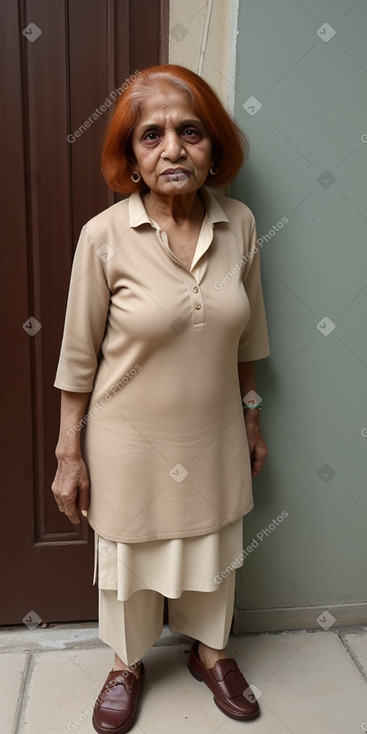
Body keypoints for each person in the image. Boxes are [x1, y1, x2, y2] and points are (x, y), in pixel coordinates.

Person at [52, 64, 270, 734]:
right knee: (128, 560)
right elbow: (76, 356)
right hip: (127, 439)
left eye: (190, 132)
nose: (173, 148)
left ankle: (211, 654)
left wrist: (252, 415)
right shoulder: (104, 236)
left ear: (214, 148)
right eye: (152, 136)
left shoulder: (239, 224)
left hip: (213, 432)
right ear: (131, 158)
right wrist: (69, 452)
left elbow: (249, 334)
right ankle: (125, 665)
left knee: (214, 547)